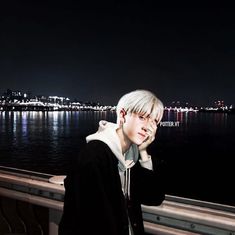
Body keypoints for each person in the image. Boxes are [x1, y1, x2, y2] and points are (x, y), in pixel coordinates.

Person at [59, 89, 166, 235]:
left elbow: (153, 197)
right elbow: (88, 220)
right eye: (142, 117)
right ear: (123, 114)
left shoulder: (130, 156)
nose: (147, 127)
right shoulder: (94, 157)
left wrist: (143, 152)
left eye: (154, 121)